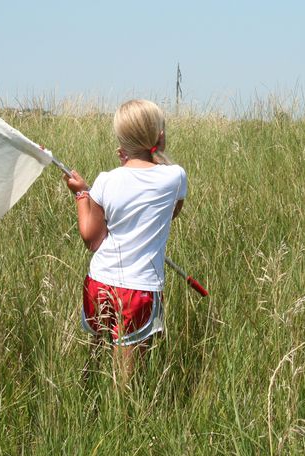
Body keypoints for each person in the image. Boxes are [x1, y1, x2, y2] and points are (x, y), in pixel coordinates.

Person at [63, 99, 187, 385]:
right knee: (128, 372)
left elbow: (91, 237)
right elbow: (171, 214)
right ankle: (122, 418)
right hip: (138, 288)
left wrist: (82, 193)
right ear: (159, 137)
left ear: (122, 143)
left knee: (99, 349)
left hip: (98, 281)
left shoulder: (106, 181)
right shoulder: (174, 177)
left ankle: (88, 396)